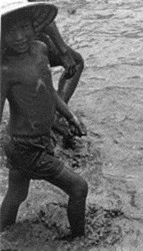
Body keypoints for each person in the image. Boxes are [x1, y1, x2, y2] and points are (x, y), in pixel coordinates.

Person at [1, 0, 88, 238]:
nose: (19, 37)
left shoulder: (39, 49)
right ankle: (77, 240)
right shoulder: (5, 70)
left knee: (17, 195)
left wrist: (69, 116)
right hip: (24, 146)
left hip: (37, 141)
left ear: (35, 27)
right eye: (10, 31)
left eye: (25, 27)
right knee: (79, 188)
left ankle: (3, 234)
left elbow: (48, 89)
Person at [29, 0, 84, 104]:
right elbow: (41, 12)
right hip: (24, 40)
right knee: (76, 62)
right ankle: (59, 113)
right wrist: (63, 51)